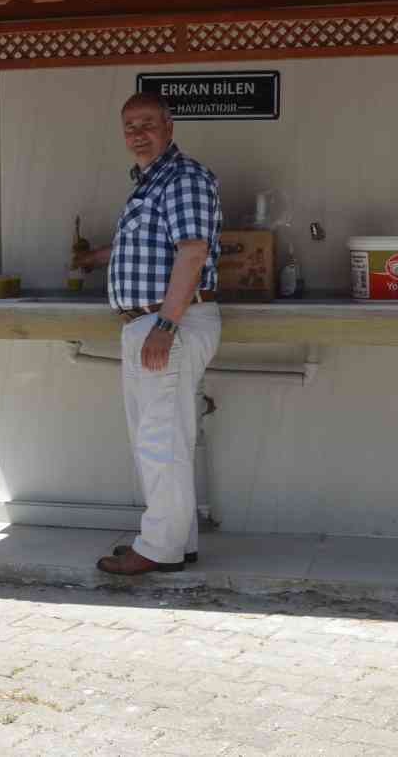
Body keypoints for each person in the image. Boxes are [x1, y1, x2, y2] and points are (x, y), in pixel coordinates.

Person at [75, 93, 222, 576]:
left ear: (169, 126)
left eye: (147, 123)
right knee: (166, 436)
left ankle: (158, 548)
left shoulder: (183, 178)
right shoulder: (151, 184)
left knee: (159, 440)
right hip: (155, 322)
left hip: (167, 323)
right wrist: (97, 258)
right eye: (129, 126)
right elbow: (148, 244)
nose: (137, 133)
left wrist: (165, 324)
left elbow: (193, 252)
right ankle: (177, 542)